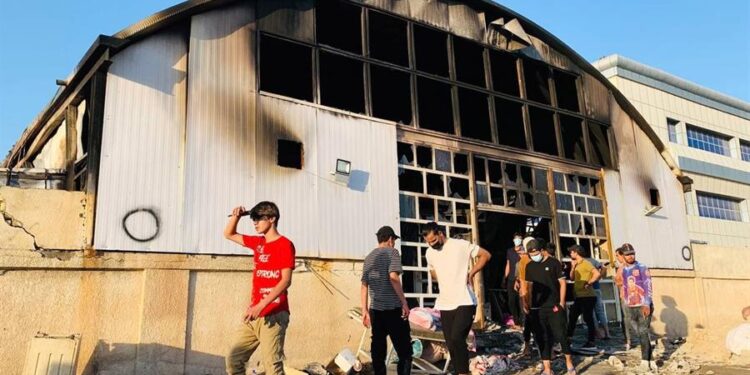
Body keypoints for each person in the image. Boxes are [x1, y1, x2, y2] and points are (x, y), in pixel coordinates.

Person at [224, 202, 296, 375]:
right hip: (254, 315)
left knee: (272, 366)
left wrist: (261, 305)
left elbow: (286, 281)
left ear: (272, 219)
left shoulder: (285, 245)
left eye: (258, 219)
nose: (254, 223)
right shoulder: (258, 243)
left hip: (274, 315)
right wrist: (236, 216)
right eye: (253, 219)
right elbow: (229, 234)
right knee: (234, 360)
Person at [422, 222, 491, 375]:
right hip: (445, 303)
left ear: (440, 233)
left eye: (433, 241)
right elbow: (433, 271)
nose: (432, 245)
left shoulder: (460, 245)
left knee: (457, 337)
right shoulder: (429, 253)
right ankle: (461, 370)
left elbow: (485, 255)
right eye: (428, 242)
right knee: (451, 343)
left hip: (465, 301)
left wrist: (472, 273)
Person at [361, 226, 412, 375]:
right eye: (394, 240)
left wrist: (364, 311)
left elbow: (364, 286)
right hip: (393, 310)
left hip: (375, 311)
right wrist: (404, 302)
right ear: (390, 239)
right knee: (405, 352)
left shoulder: (369, 257)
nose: (394, 243)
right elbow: (394, 277)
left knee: (378, 351)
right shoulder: (392, 252)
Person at [521, 239, 576, 375]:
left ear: (542, 250)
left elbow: (562, 283)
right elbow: (527, 286)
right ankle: (547, 368)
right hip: (537, 308)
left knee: (561, 335)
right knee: (542, 337)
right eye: (531, 254)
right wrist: (525, 303)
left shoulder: (554, 263)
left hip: (554, 306)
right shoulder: (529, 266)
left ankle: (569, 363)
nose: (534, 256)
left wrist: (562, 302)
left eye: (536, 253)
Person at [619, 243, 656, 371]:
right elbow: (623, 285)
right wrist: (625, 299)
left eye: (632, 253)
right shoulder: (624, 270)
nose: (630, 256)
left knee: (643, 332)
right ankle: (651, 360)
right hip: (630, 306)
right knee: (640, 333)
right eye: (627, 254)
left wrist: (647, 303)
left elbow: (648, 285)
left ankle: (645, 362)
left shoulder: (641, 267)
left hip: (643, 305)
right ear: (623, 256)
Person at [566, 244, 601, 349]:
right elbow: (571, 278)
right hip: (579, 296)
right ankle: (568, 339)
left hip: (588, 296)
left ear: (576, 252)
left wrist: (589, 282)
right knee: (572, 316)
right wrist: (572, 267)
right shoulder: (576, 264)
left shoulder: (586, 263)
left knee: (588, 318)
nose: (570, 254)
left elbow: (597, 274)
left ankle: (591, 342)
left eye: (571, 252)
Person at [586, 256, 612, 340]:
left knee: (591, 312)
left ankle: (597, 333)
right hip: (597, 288)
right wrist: (599, 277)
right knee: (600, 311)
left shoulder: (581, 261)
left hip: (587, 289)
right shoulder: (594, 261)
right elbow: (603, 268)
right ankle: (607, 333)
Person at [505, 232, 525, 330]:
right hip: (511, 279)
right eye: (516, 238)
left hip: (521, 279)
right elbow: (508, 264)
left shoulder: (524, 251)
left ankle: (522, 323)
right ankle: (517, 321)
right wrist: (505, 277)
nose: (518, 240)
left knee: (521, 301)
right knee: (511, 301)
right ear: (513, 240)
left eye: (519, 238)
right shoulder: (509, 251)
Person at [614, 247, 632, 350]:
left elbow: (618, 282)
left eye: (617, 255)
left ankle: (628, 341)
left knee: (626, 319)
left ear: (622, 255)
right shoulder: (634, 266)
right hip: (632, 296)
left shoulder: (622, 268)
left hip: (626, 296)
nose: (617, 258)